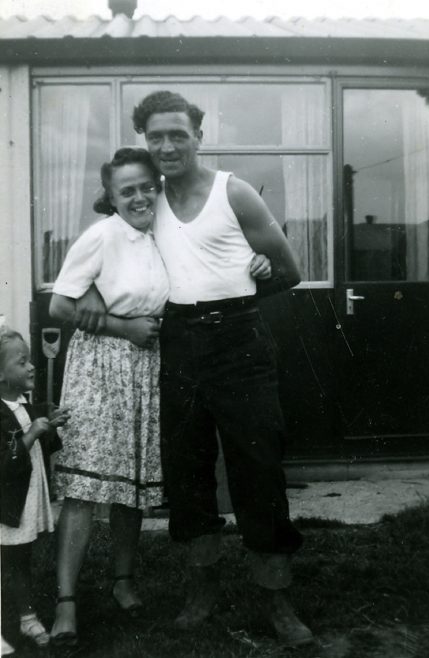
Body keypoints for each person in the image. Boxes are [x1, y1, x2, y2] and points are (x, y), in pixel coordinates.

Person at [78, 91, 313, 646]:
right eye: (155, 137)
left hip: (240, 339)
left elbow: (292, 270)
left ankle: (276, 600)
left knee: (259, 469)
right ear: (145, 141)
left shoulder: (234, 193)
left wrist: (256, 272)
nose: (166, 146)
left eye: (177, 134)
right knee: (187, 474)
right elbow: (99, 245)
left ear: (199, 136)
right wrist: (86, 287)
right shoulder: (143, 198)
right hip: (177, 341)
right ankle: (200, 591)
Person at [48, 147, 170, 647]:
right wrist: (123, 326)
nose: (140, 196)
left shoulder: (168, 233)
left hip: (147, 367)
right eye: (128, 190)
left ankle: (123, 582)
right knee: (84, 489)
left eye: (147, 186)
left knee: (131, 485)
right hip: (100, 366)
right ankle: (66, 604)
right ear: (111, 197)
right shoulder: (100, 236)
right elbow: (59, 303)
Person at [0, 327, 69, 654]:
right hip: (4, 505)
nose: (31, 367)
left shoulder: (23, 404)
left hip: (20, 502)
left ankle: (26, 617)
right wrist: (29, 437)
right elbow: (4, 463)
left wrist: (48, 423)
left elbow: (42, 437)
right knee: (6, 563)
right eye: (21, 361)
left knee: (19, 559)